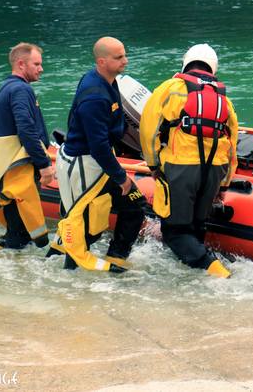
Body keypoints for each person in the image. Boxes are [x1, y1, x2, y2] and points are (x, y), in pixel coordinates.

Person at [49, 36, 146, 272]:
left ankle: (116, 258)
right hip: (83, 165)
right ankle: (68, 276)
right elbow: (97, 145)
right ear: (102, 61)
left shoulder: (109, 81)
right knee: (82, 224)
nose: (126, 60)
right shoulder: (94, 95)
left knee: (135, 205)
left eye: (125, 54)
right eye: (119, 57)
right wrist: (121, 176)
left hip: (98, 162)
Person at [139, 44, 236, 278]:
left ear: (186, 63)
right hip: (214, 169)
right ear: (213, 67)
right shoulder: (224, 98)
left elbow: (148, 130)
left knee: (175, 231)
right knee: (196, 226)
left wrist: (152, 164)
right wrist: (224, 184)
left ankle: (214, 269)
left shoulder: (170, 88)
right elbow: (232, 143)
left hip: (181, 167)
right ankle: (198, 268)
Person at [0, 42, 54, 249]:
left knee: (16, 228)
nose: (41, 68)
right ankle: (10, 269)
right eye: (37, 64)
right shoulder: (21, 90)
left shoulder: (4, 89)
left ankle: (7, 264)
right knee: (20, 232)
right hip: (19, 168)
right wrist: (44, 164)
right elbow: (27, 129)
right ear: (21, 64)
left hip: (5, 168)